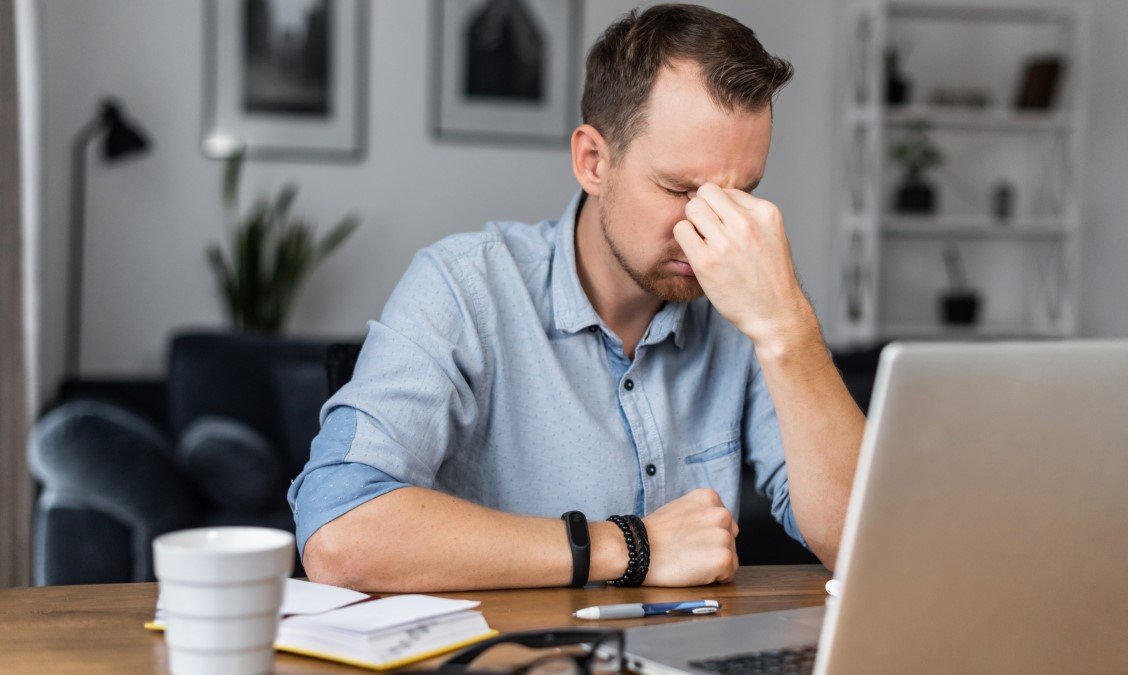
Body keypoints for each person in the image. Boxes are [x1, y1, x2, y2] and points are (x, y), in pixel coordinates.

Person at [289, 3, 865, 593]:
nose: (711, 229)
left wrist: (786, 327)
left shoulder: (752, 303)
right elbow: (337, 532)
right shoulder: (465, 286)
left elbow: (862, 544)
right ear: (593, 161)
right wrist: (629, 546)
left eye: (741, 195)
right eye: (678, 188)